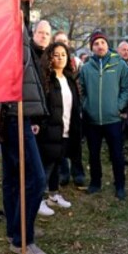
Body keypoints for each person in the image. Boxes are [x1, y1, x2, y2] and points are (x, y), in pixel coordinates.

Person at [1, 0, 50, 254]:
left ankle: (15, 228)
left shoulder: (22, 18)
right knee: (35, 177)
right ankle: (22, 240)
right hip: (10, 111)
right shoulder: (9, 19)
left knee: (13, 176)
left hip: (21, 112)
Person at [78, 30, 128, 200]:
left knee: (116, 154)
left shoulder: (119, 64)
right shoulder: (86, 68)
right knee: (93, 154)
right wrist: (87, 106)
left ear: (107, 44)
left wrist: (118, 106)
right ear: (92, 48)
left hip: (113, 119)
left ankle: (120, 185)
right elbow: (82, 91)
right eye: (96, 44)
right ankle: (95, 182)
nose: (100, 46)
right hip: (92, 120)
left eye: (102, 42)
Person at [35, 42, 82, 216]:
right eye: (56, 54)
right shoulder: (46, 78)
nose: (60, 57)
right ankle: (38, 199)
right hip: (49, 131)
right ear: (50, 57)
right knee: (46, 166)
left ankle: (53, 195)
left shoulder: (69, 78)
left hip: (66, 128)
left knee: (57, 164)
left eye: (64, 54)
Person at [54, 31, 87, 188]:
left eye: (65, 41)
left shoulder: (75, 63)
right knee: (60, 146)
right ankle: (63, 173)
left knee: (75, 145)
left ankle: (78, 174)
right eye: (59, 41)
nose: (63, 43)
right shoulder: (51, 64)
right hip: (58, 113)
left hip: (74, 109)